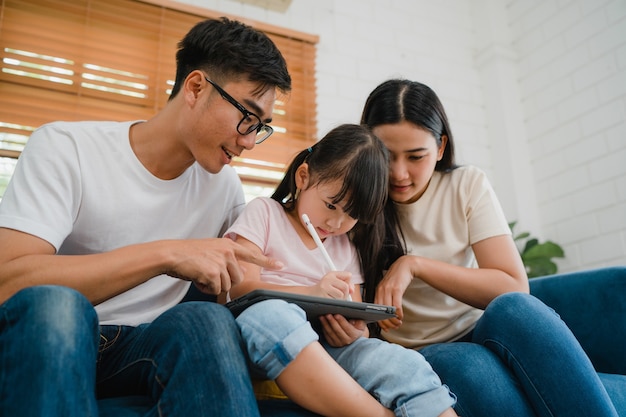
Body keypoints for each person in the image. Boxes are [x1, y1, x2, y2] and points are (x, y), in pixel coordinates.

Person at [0, 17, 292, 417]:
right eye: (247, 116)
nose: (248, 141)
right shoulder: (66, 147)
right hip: (58, 334)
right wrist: (166, 254)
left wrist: (324, 299)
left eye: (260, 128)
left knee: (204, 321)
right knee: (58, 306)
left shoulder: (223, 187)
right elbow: (8, 283)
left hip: (141, 348)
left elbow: (244, 285)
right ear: (195, 88)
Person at [358, 78, 625, 417]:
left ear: (440, 148)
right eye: (385, 155)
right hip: (418, 350)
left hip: (479, 327)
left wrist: (414, 264)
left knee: (515, 307)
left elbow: (513, 286)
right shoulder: (357, 203)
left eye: (416, 157)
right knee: (467, 365)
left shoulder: (465, 184)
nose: (399, 173)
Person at [224, 124, 458, 417]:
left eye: (352, 216)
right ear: (303, 177)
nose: (336, 223)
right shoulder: (265, 213)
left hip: (327, 347)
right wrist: (312, 292)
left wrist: (354, 331)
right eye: (331, 205)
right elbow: (241, 291)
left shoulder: (343, 246)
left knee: (402, 363)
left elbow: (355, 311)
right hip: (262, 336)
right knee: (273, 315)